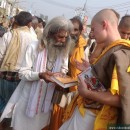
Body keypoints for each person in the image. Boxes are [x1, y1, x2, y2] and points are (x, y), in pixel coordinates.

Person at [59, 9, 130, 130]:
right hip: (87, 113)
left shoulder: (121, 53)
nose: (92, 33)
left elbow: (121, 99)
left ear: (104, 25)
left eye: (93, 29)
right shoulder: (110, 49)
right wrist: (89, 70)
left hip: (95, 118)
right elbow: (103, 84)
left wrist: (87, 93)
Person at [0, 16, 73, 130]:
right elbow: (22, 73)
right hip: (28, 100)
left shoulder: (63, 51)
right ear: (49, 33)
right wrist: (40, 75)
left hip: (46, 103)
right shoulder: (34, 47)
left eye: (65, 38)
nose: (63, 41)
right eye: (60, 37)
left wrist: (61, 76)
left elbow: (64, 69)